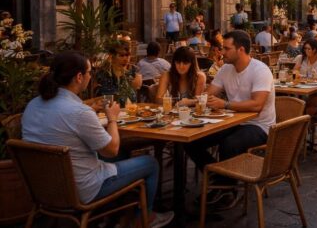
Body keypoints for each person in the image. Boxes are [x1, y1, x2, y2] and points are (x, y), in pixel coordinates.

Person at [22, 52, 174, 228]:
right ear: (79, 77)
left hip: (43, 188)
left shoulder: (33, 105)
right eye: (89, 72)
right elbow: (111, 149)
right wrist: (113, 119)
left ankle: (120, 212)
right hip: (82, 190)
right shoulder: (78, 112)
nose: (90, 76)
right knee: (150, 163)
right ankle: (144, 218)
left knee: (120, 157)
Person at [185, 31, 275, 207]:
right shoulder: (225, 69)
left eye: (226, 48)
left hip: (259, 126)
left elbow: (257, 105)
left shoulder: (260, 70)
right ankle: (218, 178)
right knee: (191, 140)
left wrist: (225, 105)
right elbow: (209, 94)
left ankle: (226, 190)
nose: (221, 52)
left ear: (240, 50)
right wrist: (190, 102)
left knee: (230, 144)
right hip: (232, 121)